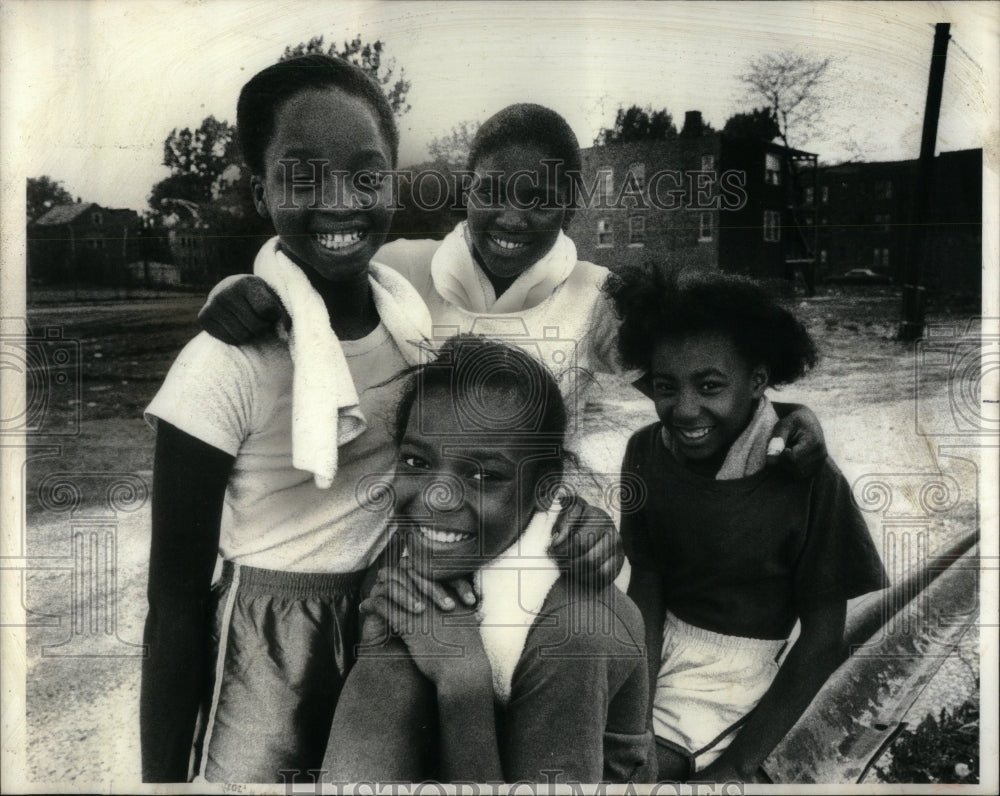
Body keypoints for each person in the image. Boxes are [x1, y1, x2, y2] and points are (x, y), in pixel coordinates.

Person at [140, 56, 619, 784]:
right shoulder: (226, 364)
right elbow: (173, 604)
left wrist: (785, 424)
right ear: (259, 185)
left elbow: (491, 441)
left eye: (366, 175)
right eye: (302, 176)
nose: (340, 202)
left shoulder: (410, 319)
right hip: (273, 637)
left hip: (398, 608)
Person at [197, 103, 828, 475]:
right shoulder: (401, 268)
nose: (512, 218)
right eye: (492, 193)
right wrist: (244, 281)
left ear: (572, 205)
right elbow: (301, 282)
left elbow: (687, 385)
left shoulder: (598, 297)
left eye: (538, 199)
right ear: (467, 188)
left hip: (538, 532)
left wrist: (787, 416)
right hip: (414, 526)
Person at [322, 335, 656, 784]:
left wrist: (463, 684)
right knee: (391, 662)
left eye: (483, 475)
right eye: (417, 462)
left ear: (544, 487)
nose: (438, 497)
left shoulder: (575, 630)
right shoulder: (429, 559)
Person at [605, 264, 889, 783]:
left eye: (710, 386)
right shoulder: (643, 450)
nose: (685, 409)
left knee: (631, 777)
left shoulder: (809, 479)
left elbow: (824, 637)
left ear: (759, 380)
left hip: (732, 673)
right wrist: (634, 711)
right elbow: (647, 581)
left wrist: (738, 764)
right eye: (667, 386)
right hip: (646, 640)